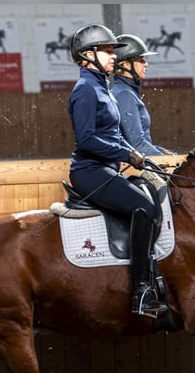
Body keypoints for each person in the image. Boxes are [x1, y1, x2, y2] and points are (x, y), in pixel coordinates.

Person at [67, 23, 168, 318]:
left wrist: (141, 156)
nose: (113, 56)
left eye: (113, 51)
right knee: (144, 207)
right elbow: (86, 140)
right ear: (87, 55)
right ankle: (141, 292)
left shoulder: (102, 87)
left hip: (107, 168)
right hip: (89, 171)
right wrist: (127, 153)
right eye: (107, 51)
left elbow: (113, 135)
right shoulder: (85, 90)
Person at [111, 34, 175, 156]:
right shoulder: (125, 95)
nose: (146, 64)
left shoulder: (126, 91)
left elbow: (140, 143)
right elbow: (137, 144)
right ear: (125, 65)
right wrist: (167, 161)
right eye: (141, 60)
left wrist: (163, 151)